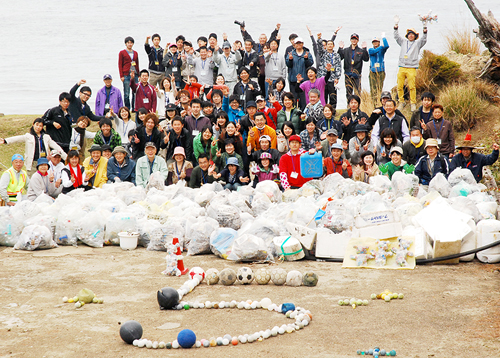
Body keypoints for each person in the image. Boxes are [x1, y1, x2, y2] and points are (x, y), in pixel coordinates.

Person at [0, 117, 67, 176]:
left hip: (43, 162)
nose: (38, 127)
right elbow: (17, 139)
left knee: (43, 180)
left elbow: (57, 147)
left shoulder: (46, 137)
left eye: (40, 126)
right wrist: (5, 141)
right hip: (32, 163)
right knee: (31, 181)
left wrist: (66, 158)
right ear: (33, 124)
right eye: (37, 125)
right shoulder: (28, 136)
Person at [394, 16, 428, 111]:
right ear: (407, 35)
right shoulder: (403, 42)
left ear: (415, 36)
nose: (411, 36)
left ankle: (413, 103)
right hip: (402, 67)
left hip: (412, 67)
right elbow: (396, 37)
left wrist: (425, 28)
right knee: (399, 85)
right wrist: (396, 26)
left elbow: (424, 39)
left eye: (412, 34)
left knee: (412, 86)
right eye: (409, 34)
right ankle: (401, 101)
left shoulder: (417, 43)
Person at [337, 34, 369, 102]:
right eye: (352, 39)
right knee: (348, 92)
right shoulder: (346, 50)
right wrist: (340, 49)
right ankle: (349, 106)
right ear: (350, 40)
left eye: (355, 39)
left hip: (357, 75)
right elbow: (339, 58)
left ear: (358, 40)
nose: (354, 40)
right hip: (348, 74)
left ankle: (358, 106)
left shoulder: (360, 50)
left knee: (357, 92)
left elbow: (366, 59)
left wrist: (365, 49)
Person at [285, 37, 314, 110]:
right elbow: (288, 64)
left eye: (300, 43)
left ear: (302, 44)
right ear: (294, 44)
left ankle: (304, 114)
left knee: (304, 100)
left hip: (304, 80)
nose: (298, 45)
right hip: (293, 80)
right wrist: (290, 60)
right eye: (297, 43)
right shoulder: (291, 53)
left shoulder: (307, 53)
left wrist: (306, 58)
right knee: (294, 99)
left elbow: (310, 64)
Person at [315, 33, 342, 108]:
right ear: (326, 46)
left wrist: (337, 77)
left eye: (331, 44)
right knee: (324, 96)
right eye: (328, 44)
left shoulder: (337, 55)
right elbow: (319, 48)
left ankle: (332, 111)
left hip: (332, 79)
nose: (330, 45)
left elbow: (339, 66)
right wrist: (319, 39)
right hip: (324, 78)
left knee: (333, 96)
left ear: (333, 46)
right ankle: (324, 110)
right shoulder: (323, 54)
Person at [118, 36, 140, 109]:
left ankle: (134, 108)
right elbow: (120, 64)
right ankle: (127, 107)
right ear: (126, 44)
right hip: (126, 74)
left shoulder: (135, 53)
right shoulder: (122, 52)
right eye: (128, 43)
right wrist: (121, 75)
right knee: (126, 93)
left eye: (131, 43)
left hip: (135, 74)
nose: (130, 44)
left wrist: (139, 75)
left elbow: (137, 64)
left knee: (135, 92)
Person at [368, 34, 389, 105]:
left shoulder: (382, 51)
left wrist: (383, 37)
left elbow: (386, 46)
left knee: (380, 88)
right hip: (373, 72)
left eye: (376, 41)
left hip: (381, 72)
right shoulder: (371, 50)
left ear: (379, 42)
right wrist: (381, 47)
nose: (375, 43)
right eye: (374, 42)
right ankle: (374, 103)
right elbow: (373, 52)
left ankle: (380, 103)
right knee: (373, 89)